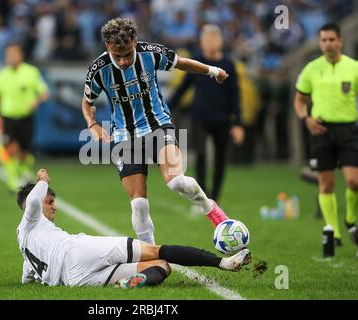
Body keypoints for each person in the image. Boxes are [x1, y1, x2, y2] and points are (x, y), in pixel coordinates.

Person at [82, 17, 231, 245]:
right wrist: (92, 124)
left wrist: (213, 71)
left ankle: (210, 208)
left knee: (177, 182)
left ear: (134, 41)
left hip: (158, 125)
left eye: (127, 55)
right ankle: (151, 255)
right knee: (139, 204)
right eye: (116, 56)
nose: (122, 61)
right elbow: (87, 102)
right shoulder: (98, 70)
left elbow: (182, 63)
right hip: (124, 136)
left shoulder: (150, 53)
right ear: (107, 47)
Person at [17, 168, 252, 288]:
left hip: (75, 280)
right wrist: (43, 181)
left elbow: (27, 278)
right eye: (51, 202)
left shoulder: (23, 242)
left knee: (161, 267)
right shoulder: (30, 219)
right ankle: (224, 263)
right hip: (78, 250)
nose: (54, 207)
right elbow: (35, 201)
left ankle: (136, 282)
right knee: (158, 251)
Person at [294, 23, 358, 250]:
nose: (328, 44)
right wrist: (306, 120)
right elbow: (300, 100)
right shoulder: (311, 69)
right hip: (321, 131)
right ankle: (333, 231)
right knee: (326, 183)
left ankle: (351, 220)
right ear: (320, 43)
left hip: (349, 130)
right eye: (324, 40)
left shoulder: (354, 67)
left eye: (332, 39)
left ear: (340, 41)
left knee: (353, 181)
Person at [170, 24, 244, 205]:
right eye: (207, 39)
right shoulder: (198, 63)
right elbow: (183, 88)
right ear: (202, 42)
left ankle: (215, 199)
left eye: (214, 38)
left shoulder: (229, 65)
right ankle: (203, 200)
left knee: (220, 160)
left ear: (220, 41)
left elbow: (235, 94)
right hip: (200, 118)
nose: (211, 42)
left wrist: (238, 123)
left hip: (222, 119)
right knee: (201, 156)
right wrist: (167, 108)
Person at [0, 42, 49, 192]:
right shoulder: (1, 75)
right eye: (9, 55)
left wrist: (36, 101)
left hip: (26, 117)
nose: (11, 57)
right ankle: (12, 182)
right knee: (10, 149)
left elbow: (44, 92)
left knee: (24, 153)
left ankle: (23, 174)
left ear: (21, 56)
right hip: (8, 117)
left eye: (14, 54)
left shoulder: (31, 72)